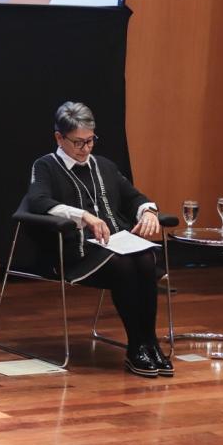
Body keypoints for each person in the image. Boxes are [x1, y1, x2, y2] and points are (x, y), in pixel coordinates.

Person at [25, 101, 172, 378]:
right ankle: (136, 345)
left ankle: (149, 342)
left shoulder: (104, 165)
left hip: (115, 245)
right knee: (125, 266)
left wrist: (149, 211)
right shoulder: (46, 166)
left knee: (145, 257)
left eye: (90, 141)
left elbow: (134, 197)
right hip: (74, 253)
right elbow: (37, 201)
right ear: (59, 137)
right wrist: (84, 216)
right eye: (78, 142)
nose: (86, 149)